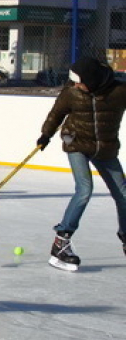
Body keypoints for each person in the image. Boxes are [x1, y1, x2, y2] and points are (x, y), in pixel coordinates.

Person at [36, 56, 126, 272]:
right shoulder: (72, 92)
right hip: (76, 142)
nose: (75, 85)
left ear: (93, 80)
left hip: (105, 147)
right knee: (85, 189)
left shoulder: (120, 91)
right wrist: (45, 135)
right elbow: (56, 113)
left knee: (123, 194)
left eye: (79, 81)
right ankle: (61, 242)